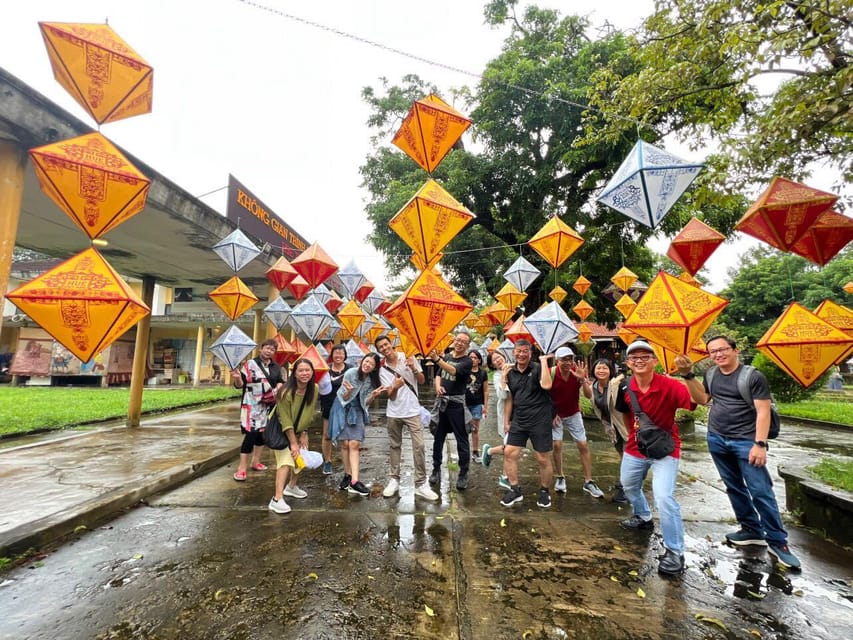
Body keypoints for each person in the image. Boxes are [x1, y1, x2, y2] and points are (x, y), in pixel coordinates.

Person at [676, 336, 801, 570]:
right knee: (733, 486)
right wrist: (687, 374)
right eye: (713, 352)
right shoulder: (711, 374)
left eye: (722, 349)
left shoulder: (752, 376)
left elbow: (763, 411)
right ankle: (751, 529)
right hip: (717, 438)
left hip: (746, 441)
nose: (718, 355)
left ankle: (778, 541)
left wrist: (760, 444)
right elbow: (703, 399)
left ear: (735, 350)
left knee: (760, 490)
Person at [615, 340, 695, 576]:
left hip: (666, 449)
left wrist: (688, 375)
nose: (639, 361)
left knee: (664, 496)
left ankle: (674, 550)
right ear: (628, 363)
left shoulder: (670, 386)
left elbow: (697, 402)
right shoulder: (624, 387)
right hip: (635, 448)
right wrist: (635, 437)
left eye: (645, 357)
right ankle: (642, 515)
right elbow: (626, 415)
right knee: (628, 486)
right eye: (634, 357)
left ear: (655, 361)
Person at [375, 335, 439, 501]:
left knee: (419, 446)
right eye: (380, 347)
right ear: (379, 351)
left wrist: (414, 368)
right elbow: (390, 395)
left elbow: (423, 381)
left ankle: (420, 484)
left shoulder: (408, 357)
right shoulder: (383, 369)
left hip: (412, 411)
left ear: (391, 345)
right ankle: (394, 479)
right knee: (394, 446)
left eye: (386, 344)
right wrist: (395, 387)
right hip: (394, 413)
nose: (384, 348)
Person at [501, 339, 555, 509]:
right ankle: (515, 488)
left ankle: (545, 491)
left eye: (525, 351)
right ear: (514, 352)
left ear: (530, 353)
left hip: (540, 419)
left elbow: (547, 385)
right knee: (509, 452)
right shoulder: (511, 372)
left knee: (542, 458)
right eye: (518, 351)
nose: (521, 354)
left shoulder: (538, 368)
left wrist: (544, 361)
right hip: (519, 419)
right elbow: (508, 397)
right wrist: (506, 421)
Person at [268, 358, 323, 514]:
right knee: (286, 461)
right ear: (295, 373)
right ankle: (276, 499)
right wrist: (293, 442)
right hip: (281, 430)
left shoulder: (314, 388)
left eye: (307, 370)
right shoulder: (285, 392)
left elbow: (308, 412)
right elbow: (284, 419)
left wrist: (304, 433)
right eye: (301, 370)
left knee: (299, 459)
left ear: (312, 372)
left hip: (299, 430)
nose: (304, 373)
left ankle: (291, 487)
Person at [549, 346, 604, 498]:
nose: (568, 362)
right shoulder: (551, 372)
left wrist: (582, 380)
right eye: (564, 359)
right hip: (556, 415)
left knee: (583, 444)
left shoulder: (577, 371)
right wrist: (551, 414)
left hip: (573, 412)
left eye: (570, 359)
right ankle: (560, 476)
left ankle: (588, 481)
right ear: (557, 360)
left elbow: (587, 395)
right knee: (557, 444)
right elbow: (544, 394)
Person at [329, 353, 386, 496]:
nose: (368, 365)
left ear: (374, 368)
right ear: (362, 361)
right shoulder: (350, 373)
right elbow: (343, 397)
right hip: (342, 408)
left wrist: (372, 396)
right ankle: (347, 475)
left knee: (354, 444)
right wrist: (348, 391)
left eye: (371, 364)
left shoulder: (371, 381)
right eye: (366, 362)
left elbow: (365, 403)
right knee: (344, 444)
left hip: (357, 411)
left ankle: (355, 481)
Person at [230, 339, 284, 482]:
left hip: (267, 406)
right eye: (267, 348)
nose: (269, 351)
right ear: (261, 349)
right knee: (251, 435)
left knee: (261, 435)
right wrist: (236, 378)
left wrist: (277, 388)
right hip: (251, 406)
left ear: (274, 352)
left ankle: (256, 461)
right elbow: (240, 384)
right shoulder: (249, 365)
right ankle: (242, 468)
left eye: (272, 349)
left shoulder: (275, 367)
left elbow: (280, 381)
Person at [428, 332, 474, 491]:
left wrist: (437, 360)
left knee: (462, 440)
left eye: (464, 341)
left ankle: (463, 472)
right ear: (454, 341)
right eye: (458, 340)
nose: (460, 343)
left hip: (456, 405)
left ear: (468, 345)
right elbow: (439, 375)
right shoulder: (447, 356)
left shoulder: (467, 361)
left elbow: (453, 371)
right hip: (442, 404)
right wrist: (437, 387)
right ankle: (435, 469)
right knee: (438, 438)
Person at [581, 358, 630, 503]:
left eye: (605, 368)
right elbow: (587, 395)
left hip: (624, 425)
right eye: (598, 368)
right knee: (622, 454)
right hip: (611, 427)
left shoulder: (616, 384)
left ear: (610, 370)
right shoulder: (594, 386)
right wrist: (583, 380)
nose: (601, 371)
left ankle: (627, 488)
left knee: (629, 456)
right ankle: (625, 481)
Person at [481, 350, 511, 489]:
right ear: (492, 365)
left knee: (513, 447)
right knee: (511, 447)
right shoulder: (498, 376)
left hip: (522, 412)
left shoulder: (515, 368)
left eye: (499, 357)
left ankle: (490, 451)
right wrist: (504, 376)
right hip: (506, 414)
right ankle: (505, 477)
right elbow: (503, 395)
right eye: (495, 360)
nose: (498, 360)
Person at [319, 344, 349, 475]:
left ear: (345, 355)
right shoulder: (325, 369)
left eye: (341, 353)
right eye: (336, 353)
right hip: (328, 406)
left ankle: (347, 464)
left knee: (345, 437)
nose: (338, 355)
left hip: (345, 407)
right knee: (327, 435)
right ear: (332, 355)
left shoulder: (350, 370)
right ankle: (327, 461)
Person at [465, 349, 489, 463]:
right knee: (463, 429)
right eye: (470, 357)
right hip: (464, 404)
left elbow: (485, 390)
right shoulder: (464, 370)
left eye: (475, 358)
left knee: (475, 429)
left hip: (477, 404)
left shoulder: (483, 373)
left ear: (479, 360)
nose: (473, 359)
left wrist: (485, 406)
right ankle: (464, 452)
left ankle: (475, 452)